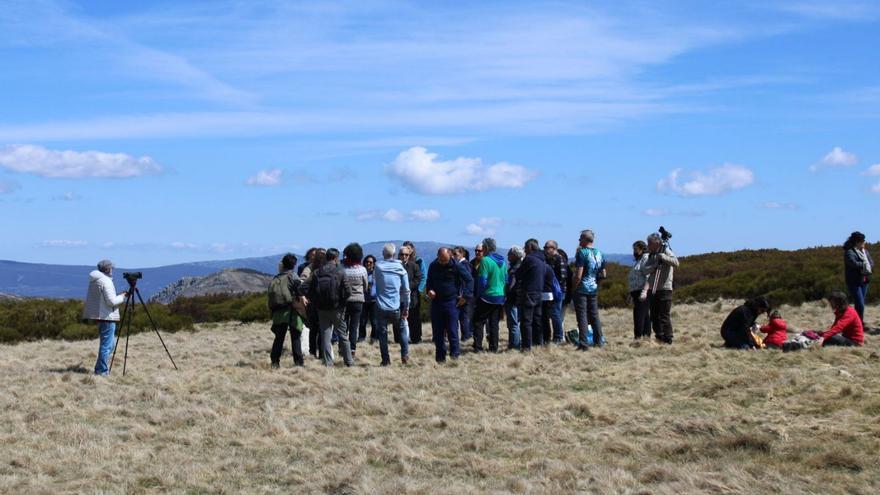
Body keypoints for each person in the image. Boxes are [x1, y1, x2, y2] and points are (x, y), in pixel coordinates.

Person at [303, 248, 353, 367]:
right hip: (337, 309)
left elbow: (304, 287)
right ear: (336, 258)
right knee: (343, 335)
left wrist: (314, 300)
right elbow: (348, 291)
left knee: (325, 336)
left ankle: (328, 362)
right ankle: (349, 361)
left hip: (322, 309)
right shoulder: (340, 271)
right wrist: (342, 303)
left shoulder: (317, 272)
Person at [426, 247, 473, 362]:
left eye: (445, 260)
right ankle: (440, 358)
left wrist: (465, 297)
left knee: (452, 330)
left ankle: (454, 356)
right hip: (437, 302)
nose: (442, 263)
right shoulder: (433, 266)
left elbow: (470, 280)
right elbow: (429, 281)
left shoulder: (456, 266)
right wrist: (429, 290)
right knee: (438, 332)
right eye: (440, 260)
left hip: (451, 302)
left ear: (450, 256)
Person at [83, 259, 128, 376]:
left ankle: (99, 367)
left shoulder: (95, 280)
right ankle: (102, 371)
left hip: (102, 315)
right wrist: (122, 297)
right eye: (112, 268)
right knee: (106, 345)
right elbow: (111, 301)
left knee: (110, 344)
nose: (113, 270)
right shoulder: (106, 281)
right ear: (108, 269)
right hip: (107, 316)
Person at [374, 243, 411, 365]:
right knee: (402, 331)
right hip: (396, 306)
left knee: (383, 335)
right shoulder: (401, 269)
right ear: (395, 255)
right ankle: (404, 356)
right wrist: (406, 307)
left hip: (381, 305)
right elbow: (406, 291)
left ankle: (385, 360)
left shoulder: (378, 267)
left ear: (383, 254)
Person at [640, 232, 680, 344]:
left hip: (665, 289)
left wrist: (663, 257)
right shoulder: (651, 255)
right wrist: (654, 265)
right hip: (653, 289)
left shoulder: (665, 251)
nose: (648, 246)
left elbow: (676, 263)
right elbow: (645, 270)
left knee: (664, 315)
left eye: (650, 244)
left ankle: (668, 338)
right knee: (654, 315)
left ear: (656, 243)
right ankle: (659, 336)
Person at [267, 253, 305, 368]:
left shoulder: (276, 278)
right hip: (292, 311)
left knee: (279, 338)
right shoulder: (293, 276)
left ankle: (275, 362)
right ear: (294, 265)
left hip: (279, 312)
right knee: (296, 337)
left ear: (283, 264)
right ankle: (298, 363)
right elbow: (300, 291)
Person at [472, 237, 507, 353]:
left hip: (487, 296)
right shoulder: (503, 262)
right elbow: (506, 279)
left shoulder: (485, 261)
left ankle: (478, 347)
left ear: (486, 248)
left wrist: (479, 294)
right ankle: (494, 347)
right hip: (500, 296)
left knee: (478, 321)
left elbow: (482, 280)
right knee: (494, 323)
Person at [572, 230, 606, 350]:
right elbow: (603, 273)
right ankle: (599, 340)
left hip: (582, 288)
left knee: (582, 316)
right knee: (594, 315)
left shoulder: (582, 253)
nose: (579, 241)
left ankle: (583, 343)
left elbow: (578, 274)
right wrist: (596, 283)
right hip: (593, 287)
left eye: (580, 238)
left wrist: (574, 286)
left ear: (586, 240)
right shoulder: (600, 253)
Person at [516, 239, 547, 352]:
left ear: (530, 247)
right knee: (537, 319)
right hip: (539, 292)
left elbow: (518, 274)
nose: (524, 249)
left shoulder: (529, 259)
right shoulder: (542, 260)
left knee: (526, 321)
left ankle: (526, 347)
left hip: (528, 292)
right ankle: (538, 342)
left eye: (525, 247)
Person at [342, 243, 369, 358]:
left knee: (344, 326)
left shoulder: (343, 269)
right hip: (358, 300)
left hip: (344, 300)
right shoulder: (362, 270)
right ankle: (352, 349)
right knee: (354, 326)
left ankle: (342, 347)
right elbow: (366, 286)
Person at [299, 247, 325, 358]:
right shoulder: (309, 269)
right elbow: (302, 283)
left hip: (321, 303)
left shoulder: (322, 268)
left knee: (321, 330)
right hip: (314, 303)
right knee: (315, 329)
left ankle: (319, 353)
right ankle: (314, 353)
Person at [843, 231, 873, 325]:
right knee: (860, 304)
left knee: (860, 305)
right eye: (863, 240)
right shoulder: (849, 252)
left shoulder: (865, 252)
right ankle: (858, 324)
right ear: (857, 242)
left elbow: (871, 262)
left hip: (864, 281)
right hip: (854, 282)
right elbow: (853, 263)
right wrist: (865, 265)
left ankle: (858, 323)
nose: (864, 242)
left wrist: (868, 265)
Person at [543, 240, 568, 343]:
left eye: (546, 247)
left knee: (555, 314)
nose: (545, 249)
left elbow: (562, 277)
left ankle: (558, 337)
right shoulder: (549, 260)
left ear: (553, 248)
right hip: (552, 291)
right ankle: (550, 337)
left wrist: (552, 283)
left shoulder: (559, 259)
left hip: (558, 291)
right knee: (552, 314)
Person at [402, 241, 427, 344]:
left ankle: (416, 337)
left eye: (408, 248)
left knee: (415, 316)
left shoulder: (419, 261)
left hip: (415, 293)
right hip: (403, 294)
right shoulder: (400, 262)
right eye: (405, 248)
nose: (407, 250)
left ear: (412, 249)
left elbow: (423, 277)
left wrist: (419, 289)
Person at [628, 240, 652, 339]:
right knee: (644, 315)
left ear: (642, 249)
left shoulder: (645, 259)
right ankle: (646, 337)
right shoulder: (638, 260)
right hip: (635, 291)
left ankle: (638, 337)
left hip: (642, 291)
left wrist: (644, 291)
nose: (634, 251)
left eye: (636, 249)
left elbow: (648, 276)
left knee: (639, 316)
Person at [453, 246, 474, 341]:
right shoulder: (462, 264)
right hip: (461, 294)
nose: (453, 256)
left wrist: (463, 294)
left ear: (462, 254)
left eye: (455, 254)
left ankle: (466, 336)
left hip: (463, 295)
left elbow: (466, 281)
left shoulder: (465, 265)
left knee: (463, 317)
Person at [505, 246, 525, 350]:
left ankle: (515, 346)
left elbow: (511, 285)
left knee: (513, 324)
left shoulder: (515, 269)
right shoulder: (522, 266)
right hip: (520, 298)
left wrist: (506, 289)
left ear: (515, 256)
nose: (508, 256)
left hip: (513, 298)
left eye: (509, 254)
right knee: (515, 323)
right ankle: (513, 344)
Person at [360, 255, 378, 344]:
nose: (368, 263)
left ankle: (374, 338)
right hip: (363, 300)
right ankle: (361, 337)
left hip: (374, 300)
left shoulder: (377, 274)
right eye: (367, 262)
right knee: (362, 321)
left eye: (371, 262)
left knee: (374, 322)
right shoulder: (361, 273)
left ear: (374, 263)